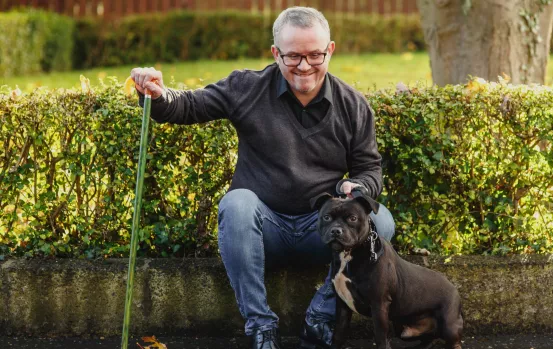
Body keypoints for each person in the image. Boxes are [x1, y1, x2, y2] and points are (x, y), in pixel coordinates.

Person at [131, 6, 395, 349]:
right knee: (237, 203)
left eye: (315, 55)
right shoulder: (247, 86)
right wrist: (157, 94)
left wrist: (358, 187)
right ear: (275, 53)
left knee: (382, 223)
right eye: (293, 56)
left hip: (323, 232)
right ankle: (260, 327)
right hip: (261, 231)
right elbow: (189, 106)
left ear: (330, 50)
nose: (304, 66)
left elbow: (369, 168)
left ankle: (322, 316)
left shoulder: (353, 106)